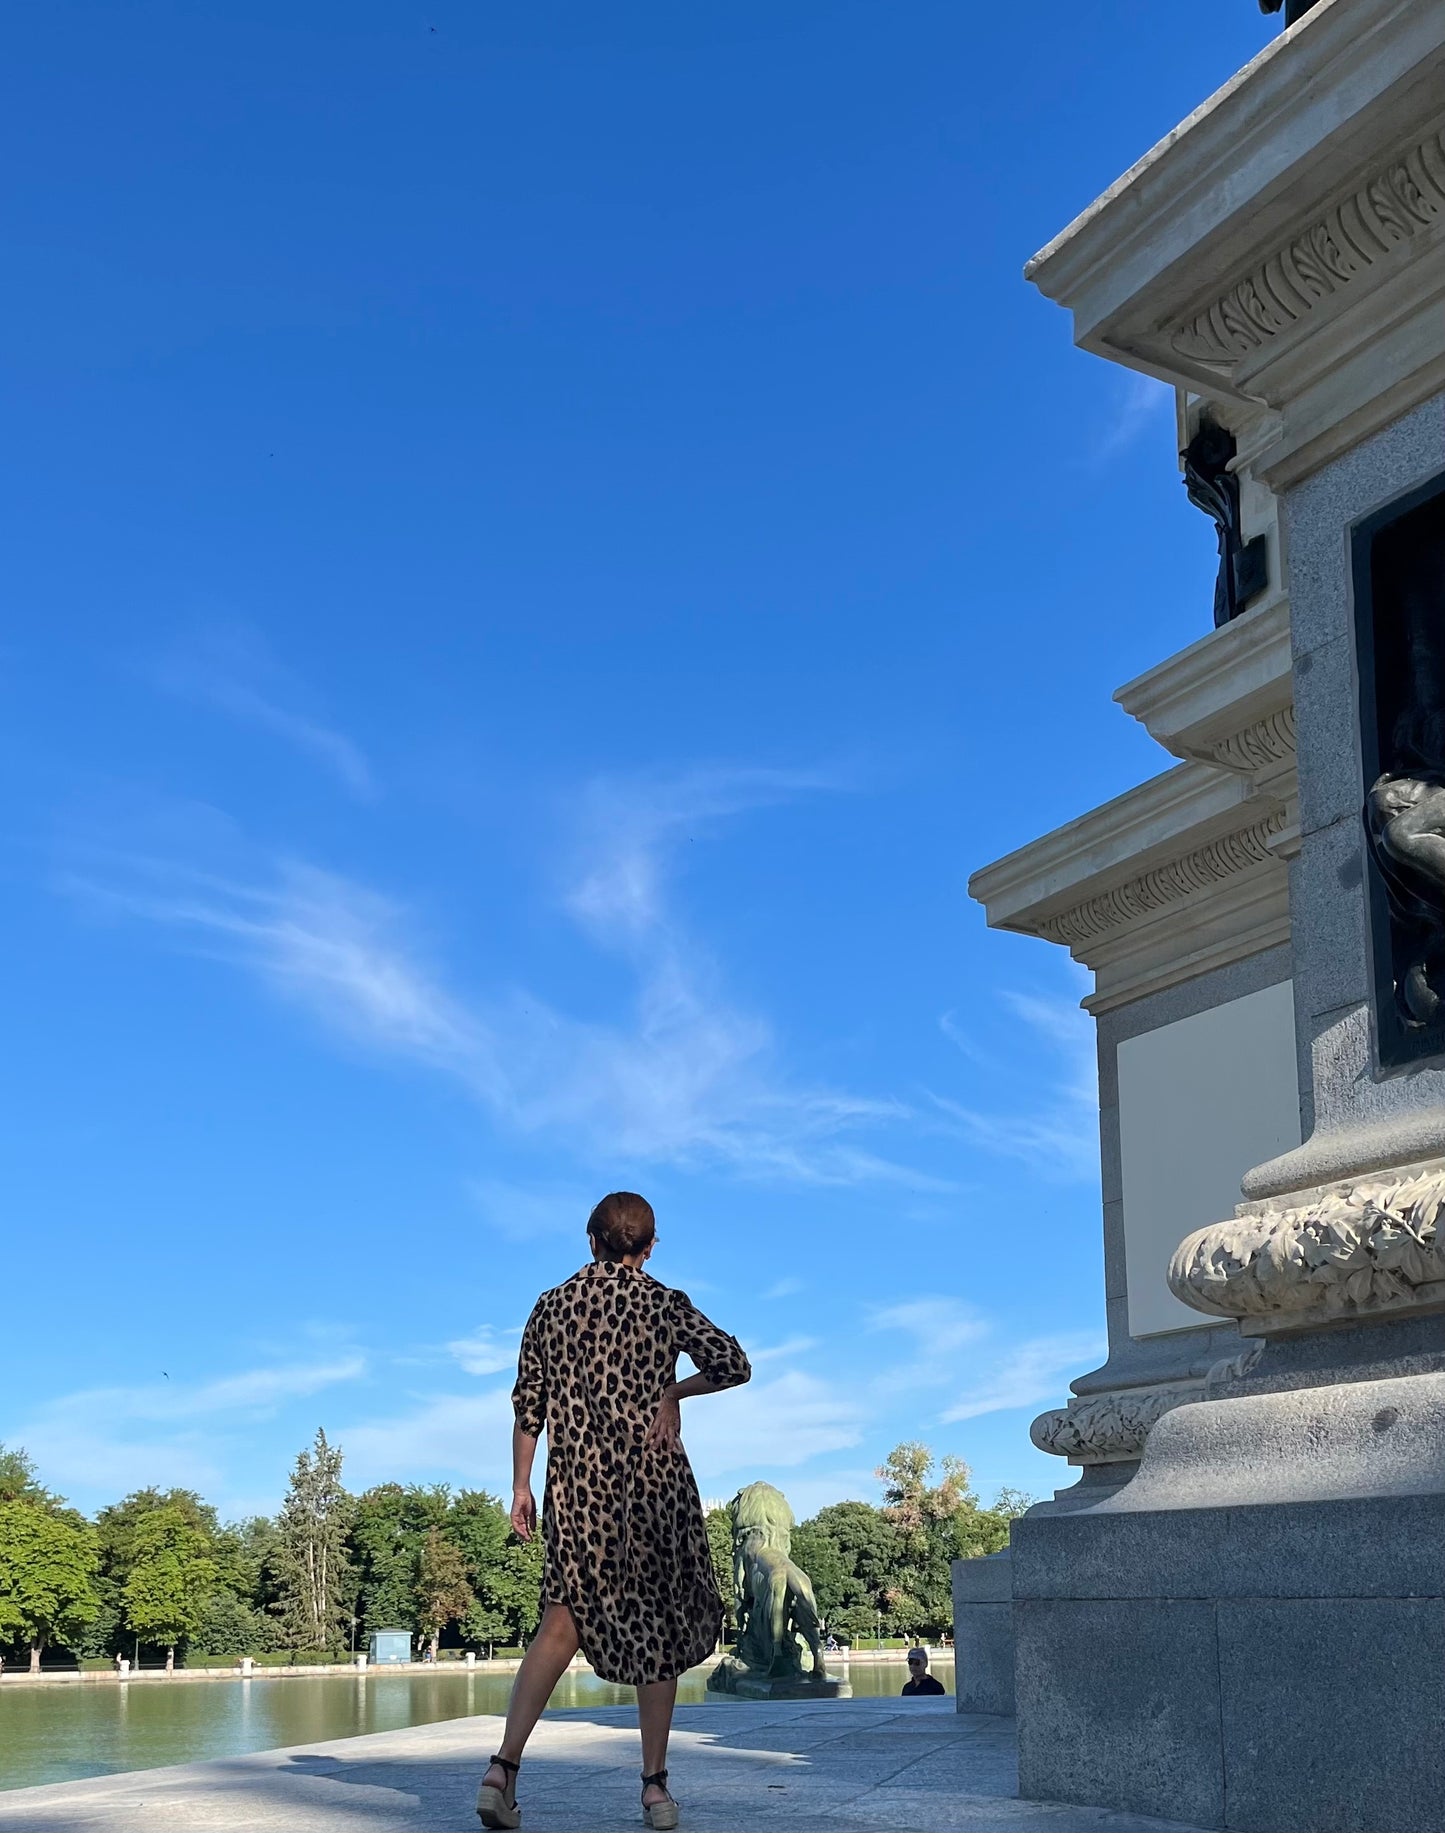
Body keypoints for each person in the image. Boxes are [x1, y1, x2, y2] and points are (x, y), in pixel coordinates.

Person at [476, 1192, 752, 1833]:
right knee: (655, 1623)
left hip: (577, 1490)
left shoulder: (550, 1308)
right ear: (649, 1247)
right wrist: (672, 1391)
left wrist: (521, 1488)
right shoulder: (664, 1303)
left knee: (562, 1620)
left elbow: (528, 1410)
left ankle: (502, 1770)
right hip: (655, 1485)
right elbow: (733, 1364)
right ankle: (655, 1790)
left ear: (591, 1240)